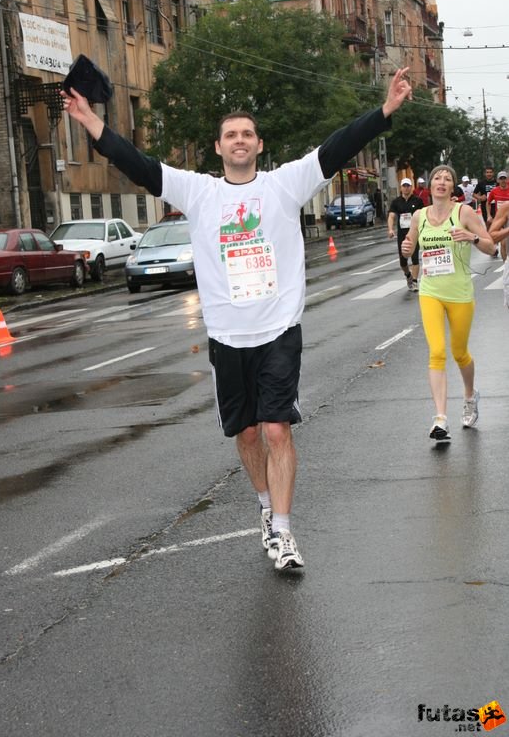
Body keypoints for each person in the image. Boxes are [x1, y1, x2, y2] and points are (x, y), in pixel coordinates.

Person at [61, 67, 412, 571]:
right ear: (219, 148)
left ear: (259, 144)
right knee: (246, 435)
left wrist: (384, 111)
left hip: (278, 330)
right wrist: (92, 123)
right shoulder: (198, 192)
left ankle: (285, 533)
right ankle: (266, 508)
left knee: (275, 430)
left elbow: (337, 146)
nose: (240, 140)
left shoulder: (284, 185)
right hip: (227, 334)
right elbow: (135, 164)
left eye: (247, 133)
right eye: (231, 135)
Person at [401, 165, 495, 442]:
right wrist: (407, 248)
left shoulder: (463, 212)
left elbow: (490, 246)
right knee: (437, 351)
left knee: (459, 352)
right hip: (430, 291)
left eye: (447, 179)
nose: (441, 182)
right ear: (429, 186)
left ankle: (469, 396)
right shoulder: (420, 215)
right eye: (437, 178)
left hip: (460, 294)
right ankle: (440, 418)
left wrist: (472, 237)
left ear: (453, 187)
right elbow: (410, 242)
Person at [387, 178, 424, 291]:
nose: (406, 188)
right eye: (404, 186)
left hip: (414, 233)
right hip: (402, 235)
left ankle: (414, 281)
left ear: (411, 187)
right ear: (401, 187)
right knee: (403, 262)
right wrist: (390, 229)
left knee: (415, 259)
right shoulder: (396, 202)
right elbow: (391, 216)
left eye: (408, 186)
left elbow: (423, 216)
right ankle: (408, 275)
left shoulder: (417, 201)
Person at [486, 171, 509, 260]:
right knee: (503, 243)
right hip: (500, 220)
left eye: (504, 178)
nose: (503, 181)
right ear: (497, 180)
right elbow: (487, 203)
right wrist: (489, 215)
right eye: (501, 179)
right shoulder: (494, 191)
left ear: (507, 179)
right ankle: (505, 264)